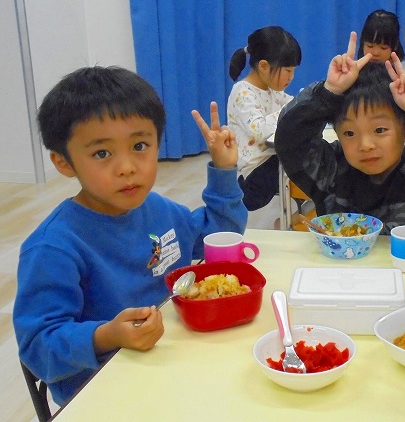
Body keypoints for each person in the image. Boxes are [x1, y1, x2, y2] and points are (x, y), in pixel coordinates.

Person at [13, 66, 248, 405]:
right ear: (64, 162)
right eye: (102, 153)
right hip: (104, 392)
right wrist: (105, 336)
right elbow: (38, 348)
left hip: (173, 361)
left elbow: (219, 236)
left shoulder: (158, 210)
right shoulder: (53, 247)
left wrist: (224, 170)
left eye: (140, 145)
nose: (127, 167)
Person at [274, 32, 405, 235]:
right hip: (343, 260)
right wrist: (328, 92)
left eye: (380, 130)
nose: (366, 145)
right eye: (349, 133)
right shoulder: (330, 171)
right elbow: (289, 140)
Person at [227, 25, 302, 213]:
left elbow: (294, 104)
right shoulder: (242, 92)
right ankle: (294, 216)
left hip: (271, 165)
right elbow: (260, 131)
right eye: (288, 71)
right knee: (297, 164)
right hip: (253, 176)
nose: (291, 77)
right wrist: (291, 109)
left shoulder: (272, 91)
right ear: (263, 66)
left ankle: (297, 213)